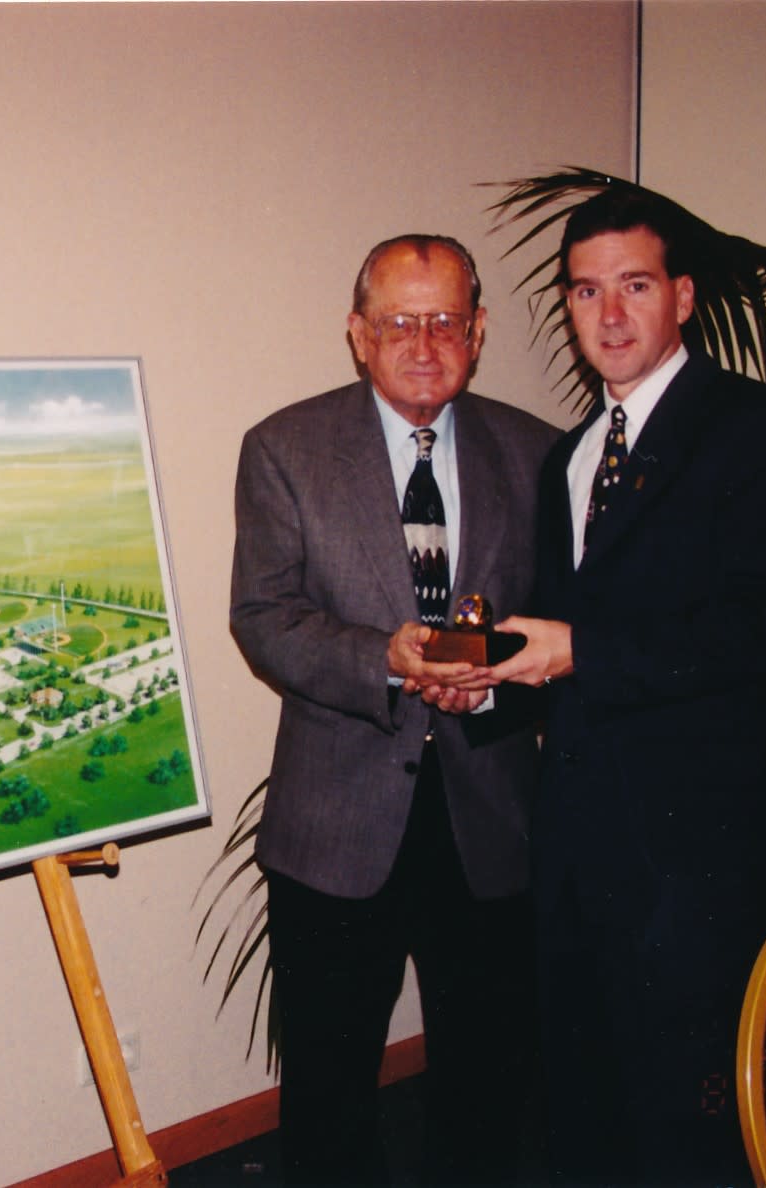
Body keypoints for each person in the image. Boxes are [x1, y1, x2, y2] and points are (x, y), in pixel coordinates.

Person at [478, 188, 766, 1185]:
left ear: (680, 295)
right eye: (586, 291)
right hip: (579, 846)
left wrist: (578, 650)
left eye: (634, 285)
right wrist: (485, 688)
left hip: (698, 855)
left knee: (693, 1121)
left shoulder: (761, 430)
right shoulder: (568, 458)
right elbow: (558, 642)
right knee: (585, 1104)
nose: (611, 315)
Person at [230, 234, 559, 1185]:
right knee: (331, 1090)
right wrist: (381, 657)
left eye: (446, 320)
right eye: (399, 321)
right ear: (357, 335)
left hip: (491, 812)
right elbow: (263, 616)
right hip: (339, 818)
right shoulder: (285, 448)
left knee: (488, 1077)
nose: (425, 341)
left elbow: (561, 619)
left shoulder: (538, 453)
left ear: (479, 330)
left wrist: (497, 670)